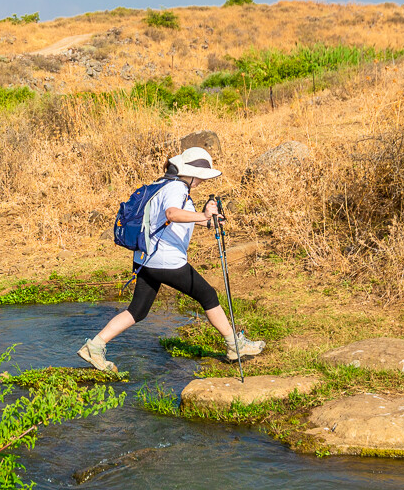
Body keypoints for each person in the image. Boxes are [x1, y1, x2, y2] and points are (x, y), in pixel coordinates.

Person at [78, 147, 265, 372]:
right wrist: (204, 215)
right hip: (166, 261)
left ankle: (95, 346)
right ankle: (235, 346)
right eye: (201, 177)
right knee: (208, 295)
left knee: (137, 310)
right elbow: (172, 214)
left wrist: (207, 222)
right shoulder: (177, 187)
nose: (202, 182)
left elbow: (173, 219)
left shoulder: (164, 185)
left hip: (146, 260)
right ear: (190, 172)